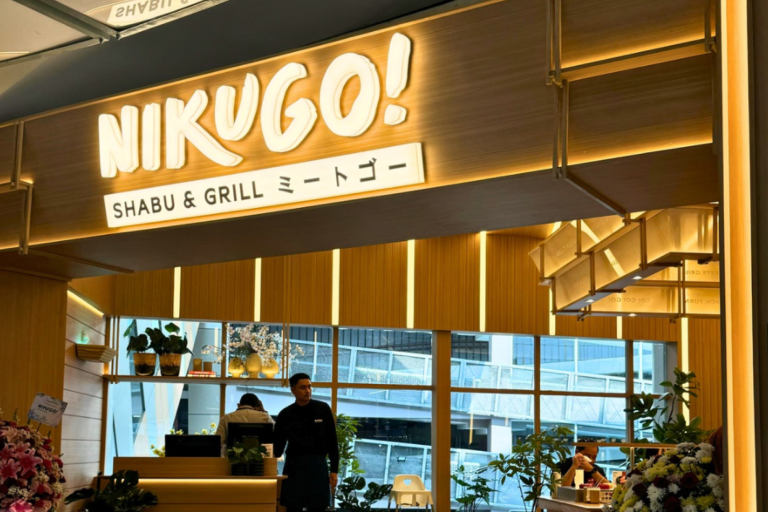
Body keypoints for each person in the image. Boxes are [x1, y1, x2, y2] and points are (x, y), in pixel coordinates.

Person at [273, 373, 339, 512]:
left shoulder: (323, 409)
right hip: (294, 466)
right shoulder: (286, 414)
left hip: (318, 465)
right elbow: (278, 447)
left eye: (309, 387)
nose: (308, 391)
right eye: (303, 387)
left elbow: (332, 441)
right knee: (293, 508)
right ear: (293, 390)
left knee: (318, 508)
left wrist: (334, 470)